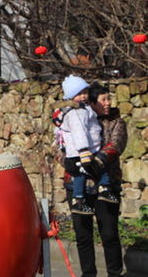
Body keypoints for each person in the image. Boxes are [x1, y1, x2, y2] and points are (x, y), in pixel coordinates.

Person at [64, 82, 126, 277]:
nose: (108, 103)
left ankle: (114, 273)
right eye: (103, 99)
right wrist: (68, 161)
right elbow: (60, 142)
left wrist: (96, 161)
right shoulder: (73, 117)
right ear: (92, 102)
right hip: (77, 184)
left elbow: (116, 144)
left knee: (109, 234)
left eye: (109, 98)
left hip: (105, 185)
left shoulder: (116, 122)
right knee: (83, 236)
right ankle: (88, 273)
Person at [53, 75, 103, 215]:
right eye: (79, 94)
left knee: (84, 173)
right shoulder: (76, 113)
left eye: (85, 92)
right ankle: (78, 200)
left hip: (84, 149)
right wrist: (83, 150)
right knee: (81, 174)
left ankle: (85, 197)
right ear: (70, 96)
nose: (83, 96)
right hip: (80, 151)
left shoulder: (83, 109)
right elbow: (79, 132)